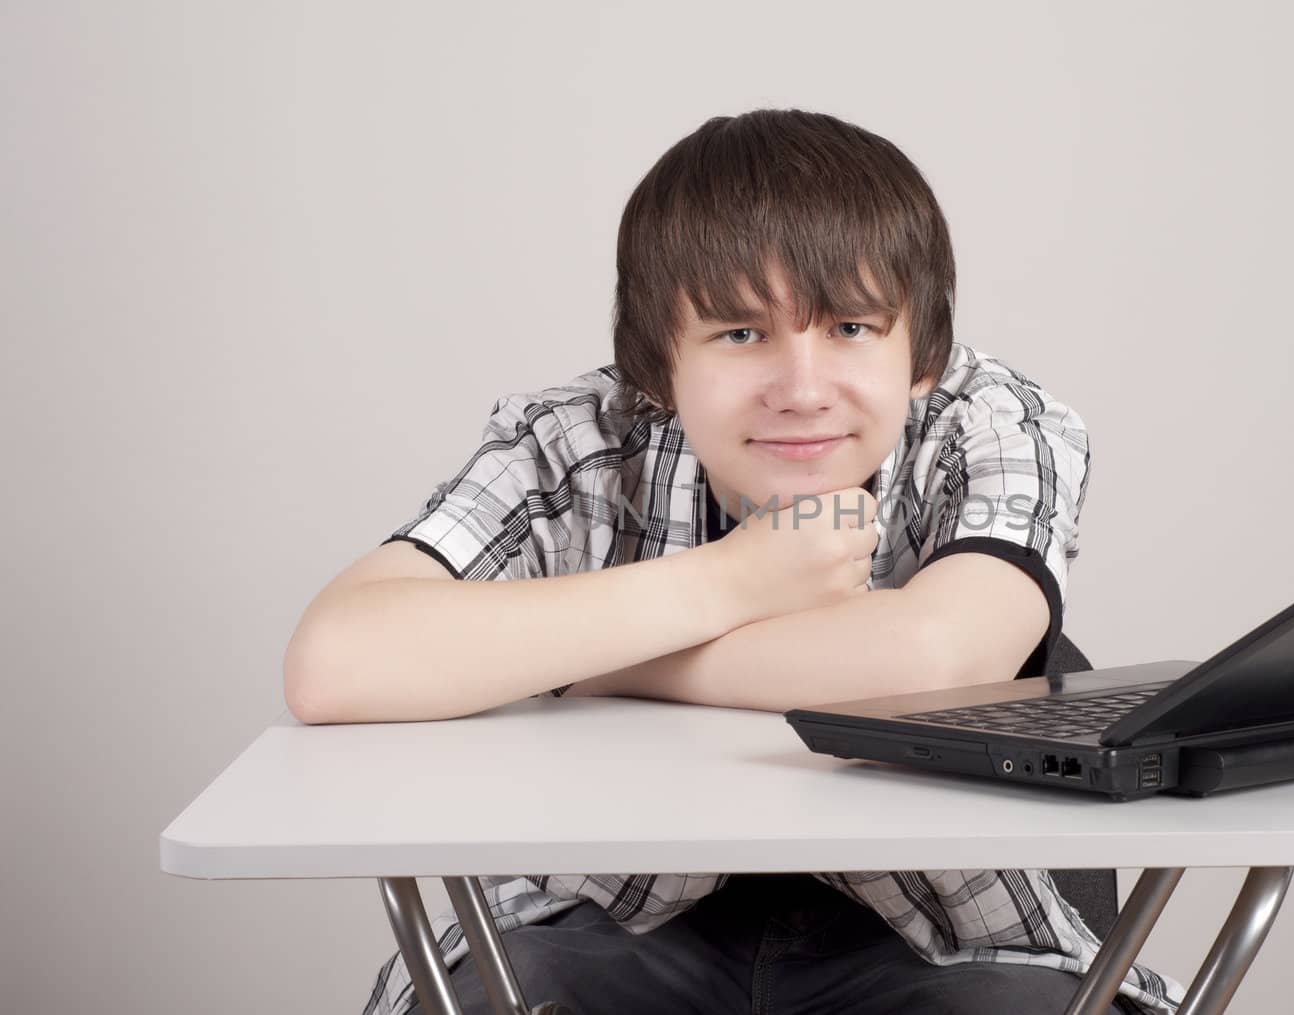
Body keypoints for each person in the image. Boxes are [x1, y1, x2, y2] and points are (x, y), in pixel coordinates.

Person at [284, 107, 1184, 1015]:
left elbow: (939, 660)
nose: (801, 390)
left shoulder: (996, 423)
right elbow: (335, 663)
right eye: (741, 334)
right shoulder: (576, 440)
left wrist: (585, 662)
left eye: (851, 328)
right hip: (608, 920)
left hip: (938, 938)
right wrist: (735, 578)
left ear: (925, 353)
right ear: (653, 362)